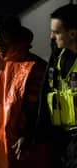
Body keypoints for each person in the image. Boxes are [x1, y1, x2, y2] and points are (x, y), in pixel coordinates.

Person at [0, 15, 51, 168]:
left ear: (16, 37)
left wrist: (29, 134)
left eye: (4, 37)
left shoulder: (35, 67)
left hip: (22, 145)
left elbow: (41, 109)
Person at [36, 4, 77, 168]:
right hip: (60, 141)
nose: (51, 37)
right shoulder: (57, 60)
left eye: (56, 32)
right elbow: (44, 95)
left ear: (72, 34)